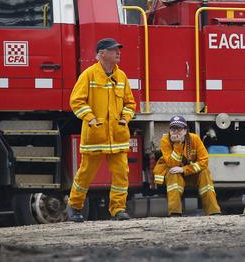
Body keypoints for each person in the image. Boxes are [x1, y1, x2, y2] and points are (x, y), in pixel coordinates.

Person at [67, 38, 136, 222]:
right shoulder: (89, 75)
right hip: (95, 136)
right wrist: (91, 119)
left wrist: (125, 118)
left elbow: (130, 103)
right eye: (114, 50)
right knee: (86, 173)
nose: (118, 52)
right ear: (102, 53)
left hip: (118, 135)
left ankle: (118, 209)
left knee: (122, 174)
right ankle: (74, 207)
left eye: (118, 49)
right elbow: (76, 101)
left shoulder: (121, 77)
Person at [152, 116, 221, 216]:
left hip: (190, 173)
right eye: (173, 129)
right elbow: (172, 164)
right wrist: (177, 144)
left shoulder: (194, 139)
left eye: (179, 129)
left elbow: (204, 160)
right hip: (175, 173)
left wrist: (184, 169)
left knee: (205, 172)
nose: (176, 132)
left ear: (185, 130)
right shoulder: (165, 140)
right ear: (169, 131)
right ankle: (175, 213)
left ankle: (213, 211)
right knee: (173, 173)